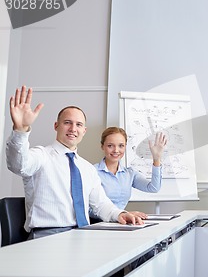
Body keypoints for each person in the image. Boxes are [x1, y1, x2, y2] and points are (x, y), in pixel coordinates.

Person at [5, 86, 142, 239]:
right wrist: (20, 130)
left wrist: (121, 214)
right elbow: (18, 165)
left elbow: (101, 204)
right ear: (56, 126)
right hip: (47, 236)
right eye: (67, 123)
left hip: (81, 234)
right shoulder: (41, 155)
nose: (73, 129)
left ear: (84, 131)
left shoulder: (87, 169)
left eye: (78, 125)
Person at [92, 127, 167, 220]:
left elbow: (154, 188)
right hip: (97, 225)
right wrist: (122, 214)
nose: (116, 150)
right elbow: (89, 208)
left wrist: (156, 158)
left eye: (121, 146)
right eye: (110, 146)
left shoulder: (129, 174)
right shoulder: (92, 172)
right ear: (102, 146)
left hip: (121, 224)